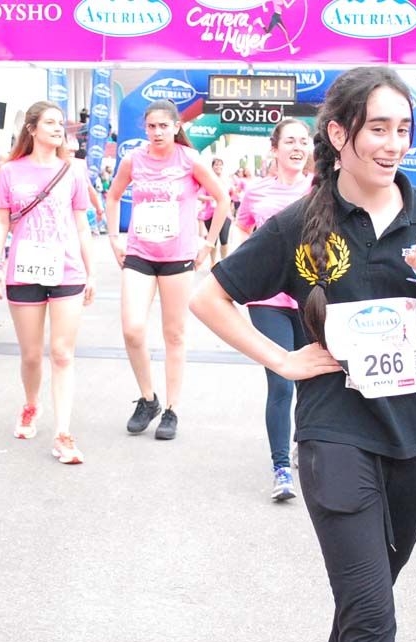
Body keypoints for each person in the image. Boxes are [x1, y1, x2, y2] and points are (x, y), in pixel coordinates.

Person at [190, 67, 416, 642]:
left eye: (402, 129)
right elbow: (208, 297)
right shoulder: (299, 222)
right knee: (373, 624)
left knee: (363, 607)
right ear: (340, 134)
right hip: (335, 434)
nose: (394, 144)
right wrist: (281, 359)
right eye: (378, 128)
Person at [105, 99, 229, 440]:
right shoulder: (133, 160)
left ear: (176, 127)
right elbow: (113, 197)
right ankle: (148, 399)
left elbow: (222, 199)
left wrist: (208, 244)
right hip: (140, 252)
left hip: (177, 257)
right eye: (152, 126)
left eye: (164, 126)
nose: (157, 132)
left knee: (174, 334)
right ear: (145, 129)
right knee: (132, 329)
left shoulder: (189, 159)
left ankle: (172, 409)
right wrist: (114, 238)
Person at [0, 101, 95, 465]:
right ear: (31, 129)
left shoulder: (74, 170)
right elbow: (1, 221)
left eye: (59, 123)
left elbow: (82, 225)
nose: (57, 128)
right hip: (24, 270)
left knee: (63, 353)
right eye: (49, 122)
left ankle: (63, 433)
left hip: (66, 270)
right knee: (32, 354)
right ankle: (31, 404)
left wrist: (91, 272)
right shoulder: (10, 171)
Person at [233, 118, 313, 501]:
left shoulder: (321, 189)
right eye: (290, 141)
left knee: (312, 381)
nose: (297, 147)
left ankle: (304, 443)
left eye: (303, 141)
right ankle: (281, 468)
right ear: (275, 148)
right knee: (281, 380)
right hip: (267, 299)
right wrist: (240, 267)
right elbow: (242, 228)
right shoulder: (255, 191)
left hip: (312, 299)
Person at [197, 157, 233, 267]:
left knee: (224, 239)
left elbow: (231, 195)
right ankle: (213, 263)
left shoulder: (227, 181)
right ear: (212, 167)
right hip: (210, 214)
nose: (218, 167)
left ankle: (224, 262)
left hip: (225, 214)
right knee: (213, 241)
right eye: (216, 165)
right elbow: (199, 195)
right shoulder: (208, 181)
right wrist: (212, 198)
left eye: (220, 164)